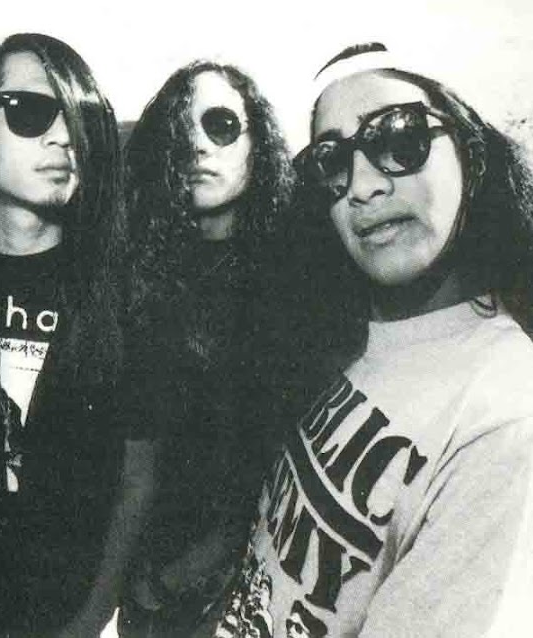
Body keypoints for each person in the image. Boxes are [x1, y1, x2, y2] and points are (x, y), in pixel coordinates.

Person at [215, 43, 533, 637]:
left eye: (400, 139)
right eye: (332, 161)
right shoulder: (350, 335)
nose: (362, 186)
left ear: (472, 154)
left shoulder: (507, 418)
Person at [0, 32, 152, 636]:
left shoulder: (124, 291)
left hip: (65, 615)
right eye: (29, 111)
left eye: (81, 117)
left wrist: (91, 619)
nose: (63, 137)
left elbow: (136, 480)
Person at [118, 61, 296, 638]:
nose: (197, 144)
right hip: (143, 587)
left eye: (221, 125)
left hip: (241, 591)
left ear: (257, 143)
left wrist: (179, 575)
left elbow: (269, 462)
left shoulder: (294, 279)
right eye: (180, 128)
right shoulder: (139, 270)